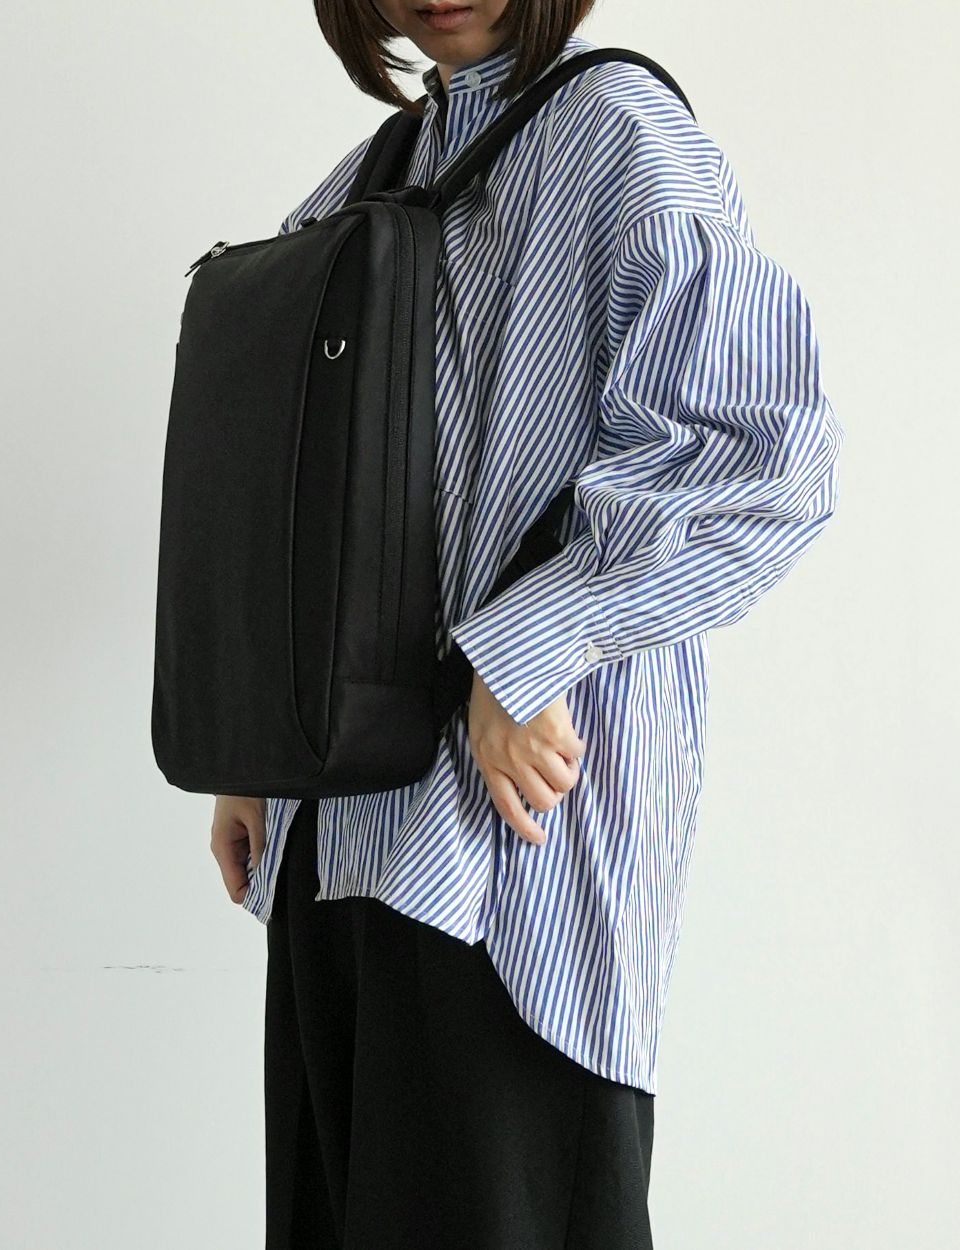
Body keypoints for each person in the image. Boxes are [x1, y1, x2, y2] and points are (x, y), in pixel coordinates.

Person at [209, 1, 845, 1246]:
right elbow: (295, 476)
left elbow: (762, 456)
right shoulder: (378, 167)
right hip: (334, 826)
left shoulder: (621, 134)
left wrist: (528, 649)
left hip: (512, 843)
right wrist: (254, 744)